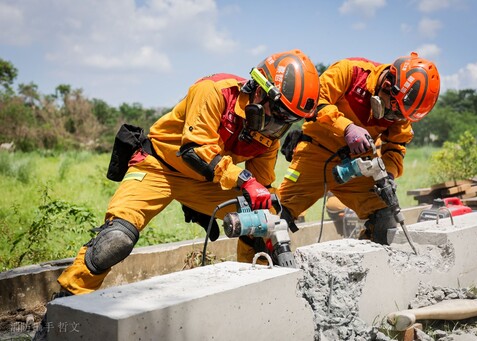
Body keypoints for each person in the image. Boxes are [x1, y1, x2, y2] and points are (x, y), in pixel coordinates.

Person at [33, 49, 319, 340]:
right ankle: (58, 318)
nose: (277, 127)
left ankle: (255, 299)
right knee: (114, 240)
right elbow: (194, 150)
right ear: (258, 91)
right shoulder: (213, 92)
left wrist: (270, 206)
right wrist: (244, 179)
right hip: (160, 165)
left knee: (262, 223)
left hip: (204, 181)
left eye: (287, 121)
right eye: (277, 115)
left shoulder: (269, 136)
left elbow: (263, 182)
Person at [278, 52, 440, 245]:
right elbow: (313, 103)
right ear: (387, 85)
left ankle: (369, 265)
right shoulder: (349, 71)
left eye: (400, 116)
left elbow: (396, 147)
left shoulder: (400, 110)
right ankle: (258, 269)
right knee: (277, 218)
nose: (393, 119)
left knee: (384, 215)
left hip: (357, 165)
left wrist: (388, 175)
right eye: (393, 111)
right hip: (313, 157)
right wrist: (346, 127)